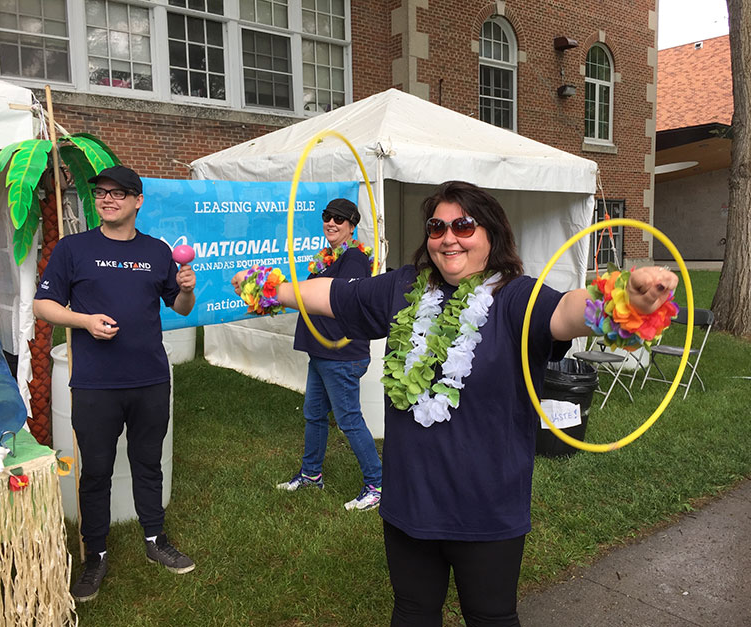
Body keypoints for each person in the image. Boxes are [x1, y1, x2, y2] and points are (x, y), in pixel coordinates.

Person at [232, 181, 677, 626]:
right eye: (437, 226)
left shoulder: (516, 296)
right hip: (410, 502)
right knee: (411, 612)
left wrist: (625, 301)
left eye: (463, 225)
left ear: (491, 235)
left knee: (490, 617)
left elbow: (566, 312)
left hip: (485, 507)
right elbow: (334, 294)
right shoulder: (406, 287)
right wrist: (267, 289)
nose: (449, 237)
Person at [33, 165, 197, 603]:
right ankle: (96, 556)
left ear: (137, 200)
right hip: (95, 385)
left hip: (149, 379)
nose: (108, 199)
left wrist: (186, 288)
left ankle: (154, 540)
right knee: (97, 472)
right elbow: (43, 304)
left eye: (119, 193)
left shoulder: (158, 251)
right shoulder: (74, 249)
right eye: (102, 193)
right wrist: (84, 321)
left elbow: (180, 308)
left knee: (148, 462)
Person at [276, 198, 383, 511]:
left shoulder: (354, 259)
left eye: (339, 219)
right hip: (321, 352)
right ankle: (311, 474)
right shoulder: (328, 257)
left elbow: (340, 301)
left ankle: (377, 485)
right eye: (327, 217)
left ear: (351, 225)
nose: (331, 223)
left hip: (342, 354)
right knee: (314, 414)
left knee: (349, 420)